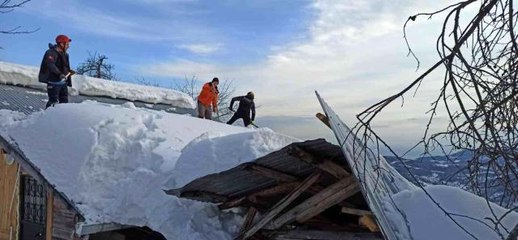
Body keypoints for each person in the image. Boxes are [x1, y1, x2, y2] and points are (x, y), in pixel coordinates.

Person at [38, 34, 74, 109]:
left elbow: (64, 67)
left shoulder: (65, 55)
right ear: (61, 44)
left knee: (64, 103)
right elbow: (50, 65)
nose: (68, 46)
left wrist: (69, 72)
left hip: (63, 83)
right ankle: (46, 117)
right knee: (53, 102)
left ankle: (61, 119)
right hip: (53, 83)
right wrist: (59, 74)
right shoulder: (50, 52)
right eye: (67, 44)